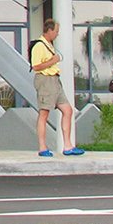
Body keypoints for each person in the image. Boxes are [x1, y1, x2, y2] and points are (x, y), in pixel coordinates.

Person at [30, 19, 84, 157]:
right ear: (49, 30)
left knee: (67, 110)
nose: (57, 34)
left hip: (55, 80)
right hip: (45, 80)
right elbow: (35, 66)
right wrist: (53, 61)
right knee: (44, 113)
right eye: (56, 31)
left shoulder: (49, 45)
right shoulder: (39, 46)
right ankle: (42, 147)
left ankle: (68, 145)